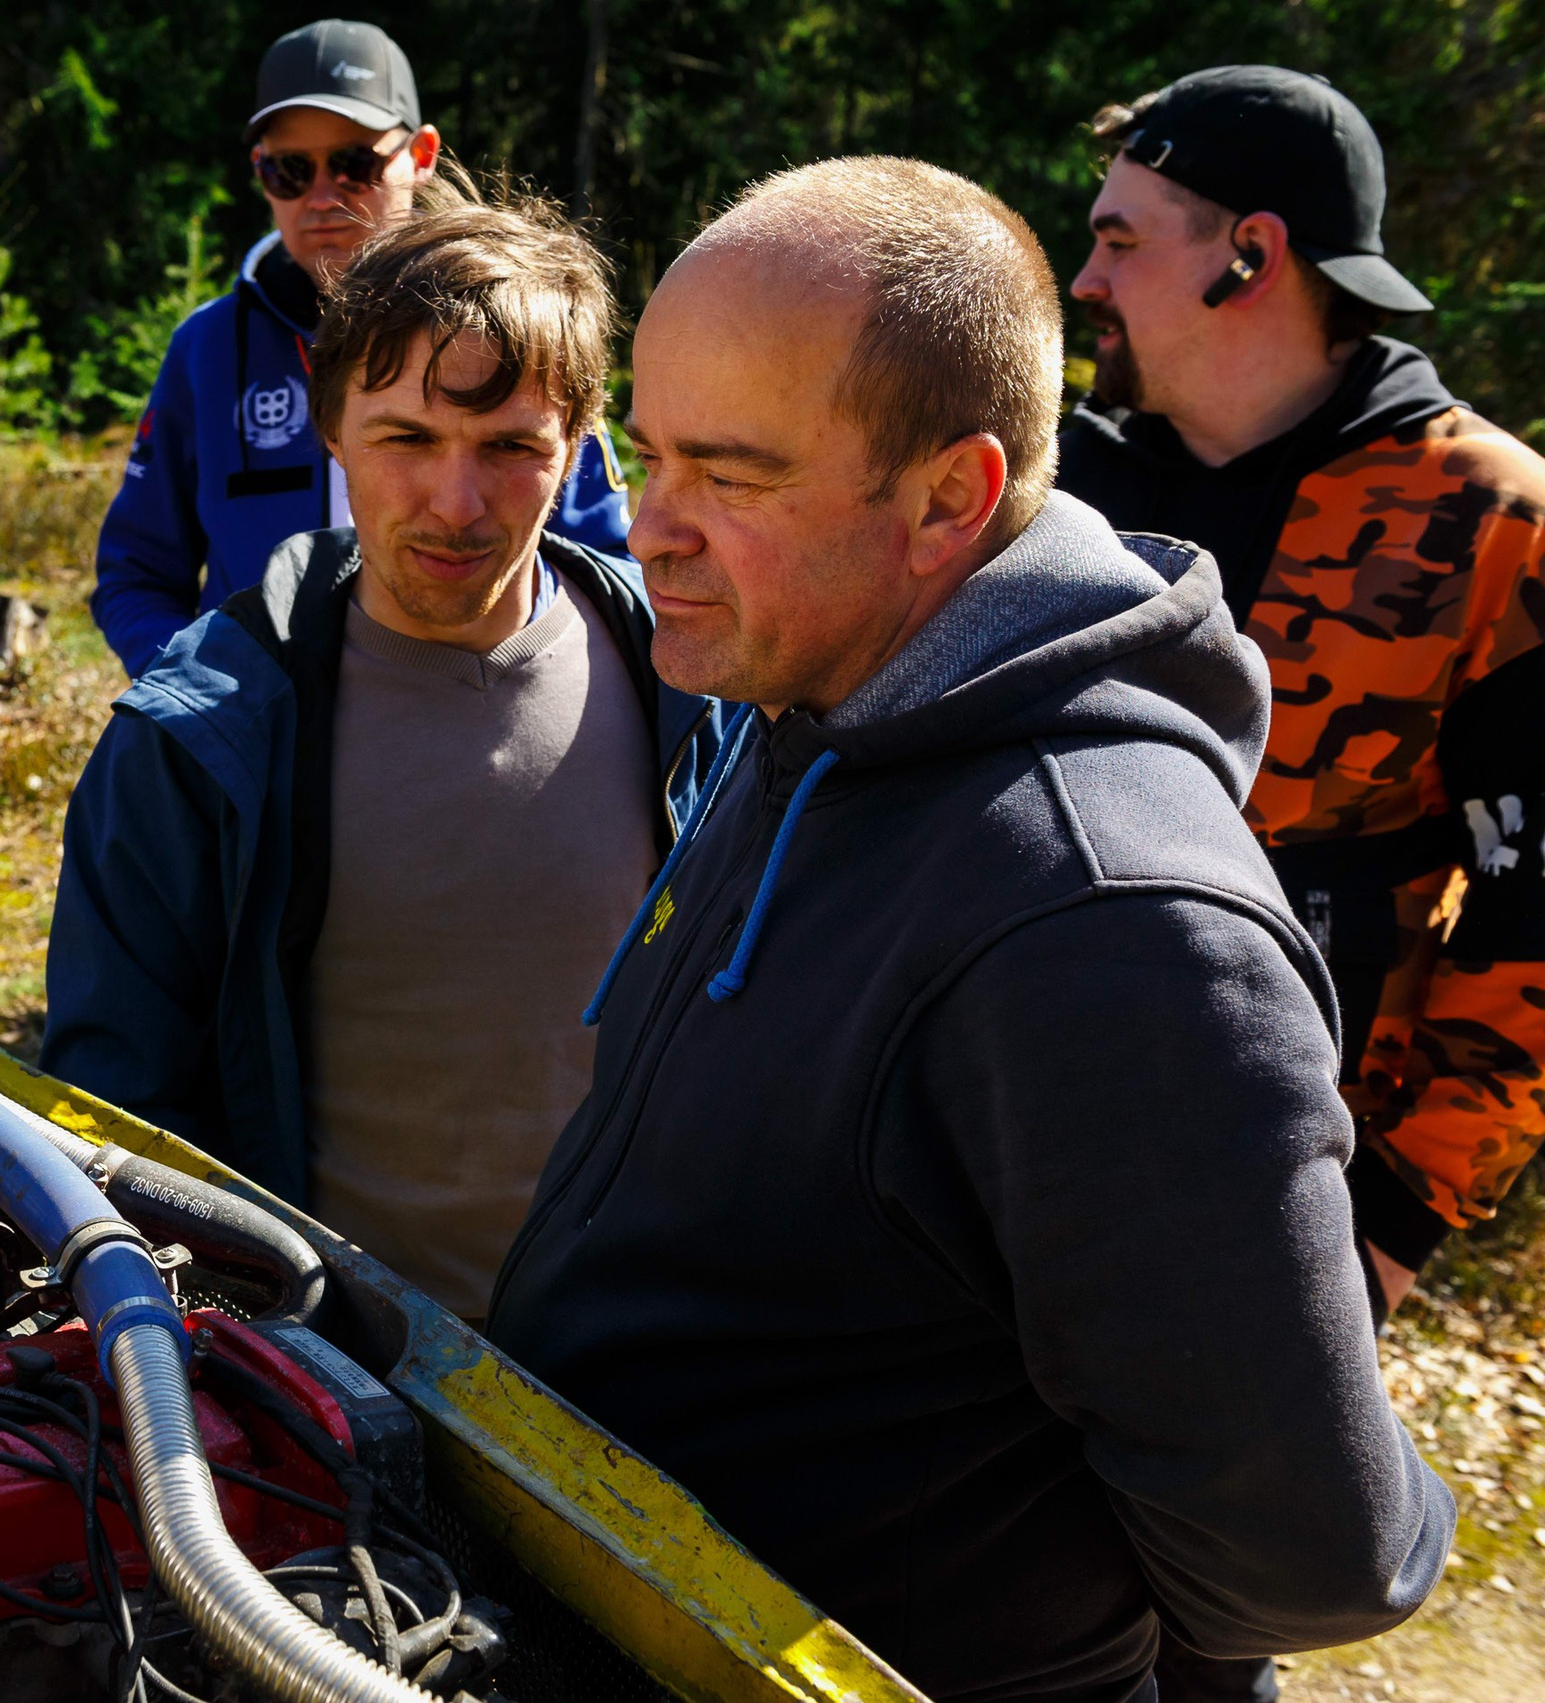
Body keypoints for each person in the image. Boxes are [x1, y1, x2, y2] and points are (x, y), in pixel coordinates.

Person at [488, 157, 1451, 1703]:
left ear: (952, 497)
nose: (649, 524)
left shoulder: (1106, 919)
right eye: (645, 452)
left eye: (729, 476)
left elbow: (1308, 1551)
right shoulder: (820, 696)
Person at [43, 188, 714, 1320]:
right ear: (329, 427)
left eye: (509, 447)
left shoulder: (701, 694)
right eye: (407, 438)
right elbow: (114, 1132)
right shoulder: (191, 744)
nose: (456, 503)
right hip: (328, 1390)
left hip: (637, 1372)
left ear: (582, 444)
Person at [1059, 67, 1545, 1332]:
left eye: (1118, 239)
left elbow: (1534, 914)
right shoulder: (1052, 491)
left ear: (1249, 256)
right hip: (1004, 1126)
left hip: (1284, 1192)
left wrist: (1392, 1225)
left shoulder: (1495, 523)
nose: (1084, 281)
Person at [90, 18, 634, 679]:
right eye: (289, 170)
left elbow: (608, 565)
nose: (322, 197)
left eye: (354, 164)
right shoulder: (206, 350)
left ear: (422, 154)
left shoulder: (517, 327)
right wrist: (199, 700)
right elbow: (136, 573)